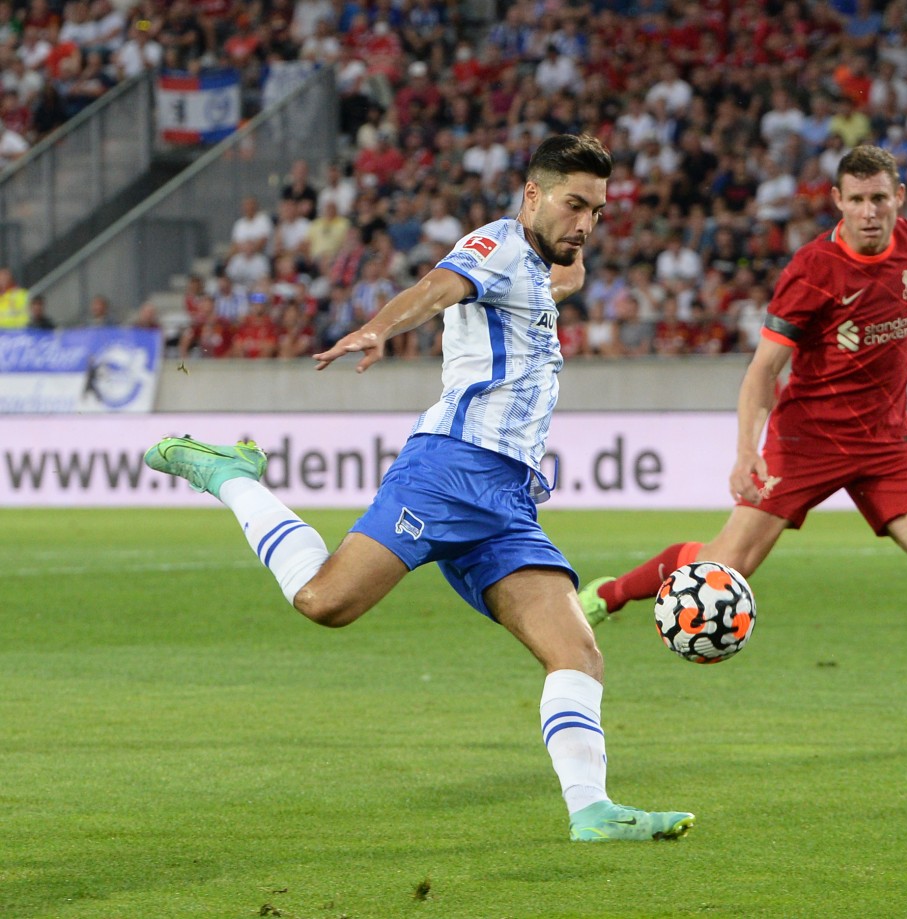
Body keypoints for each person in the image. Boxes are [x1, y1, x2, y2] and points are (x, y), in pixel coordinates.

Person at [143, 134, 693, 843]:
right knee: (325, 602)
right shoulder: (494, 246)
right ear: (532, 195)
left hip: (507, 500)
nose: (585, 222)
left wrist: (569, 271)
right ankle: (231, 476)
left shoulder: (538, 266)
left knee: (579, 651)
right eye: (573, 205)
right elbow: (439, 288)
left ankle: (592, 812)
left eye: (597, 211)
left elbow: (548, 283)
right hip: (448, 471)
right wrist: (377, 329)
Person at [579, 146, 907, 750]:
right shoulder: (814, 270)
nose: (870, 211)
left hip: (885, 440)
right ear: (838, 203)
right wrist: (747, 450)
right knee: (724, 568)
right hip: (807, 438)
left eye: (880, 198)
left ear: (898, 197)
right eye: (857, 200)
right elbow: (762, 370)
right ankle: (609, 595)